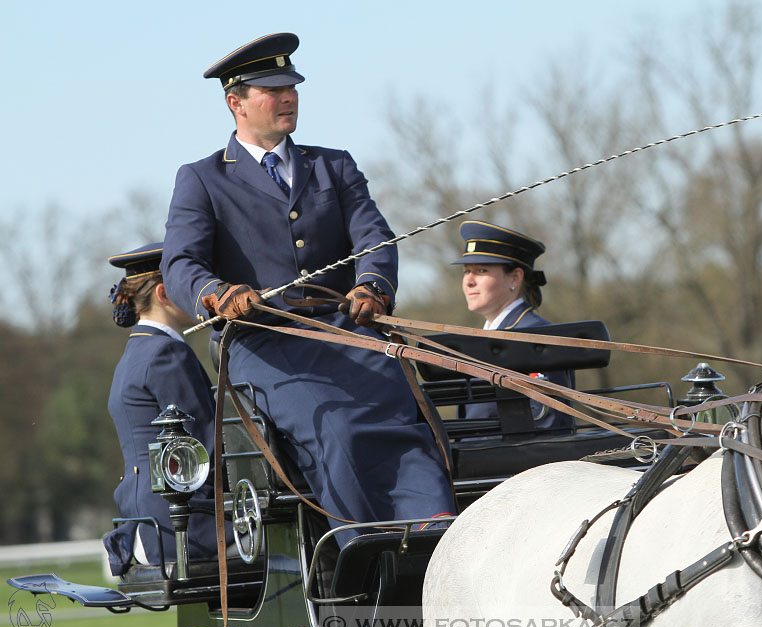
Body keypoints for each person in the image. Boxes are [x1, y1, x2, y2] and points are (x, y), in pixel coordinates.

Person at [160, 33, 456, 545]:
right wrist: (217, 294)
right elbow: (180, 262)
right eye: (272, 89)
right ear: (236, 102)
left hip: (348, 335)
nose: (288, 96)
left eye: (292, 85)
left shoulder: (334, 165)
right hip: (265, 347)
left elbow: (374, 237)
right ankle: (364, 553)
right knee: (337, 429)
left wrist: (373, 286)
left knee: (407, 419)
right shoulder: (202, 179)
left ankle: (437, 544)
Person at [102, 243, 219, 575]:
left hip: (147, 526)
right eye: (189, 285)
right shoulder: (168, 355)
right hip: (184, 530)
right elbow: (205, 448)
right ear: (166, 293)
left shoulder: (135, 353)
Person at [453, 221, 575, 431]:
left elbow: (546, 422)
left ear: (515, 278)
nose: (469, 281)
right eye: (466, 271)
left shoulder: (534, 334)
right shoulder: (489, 335)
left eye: (481, 270)